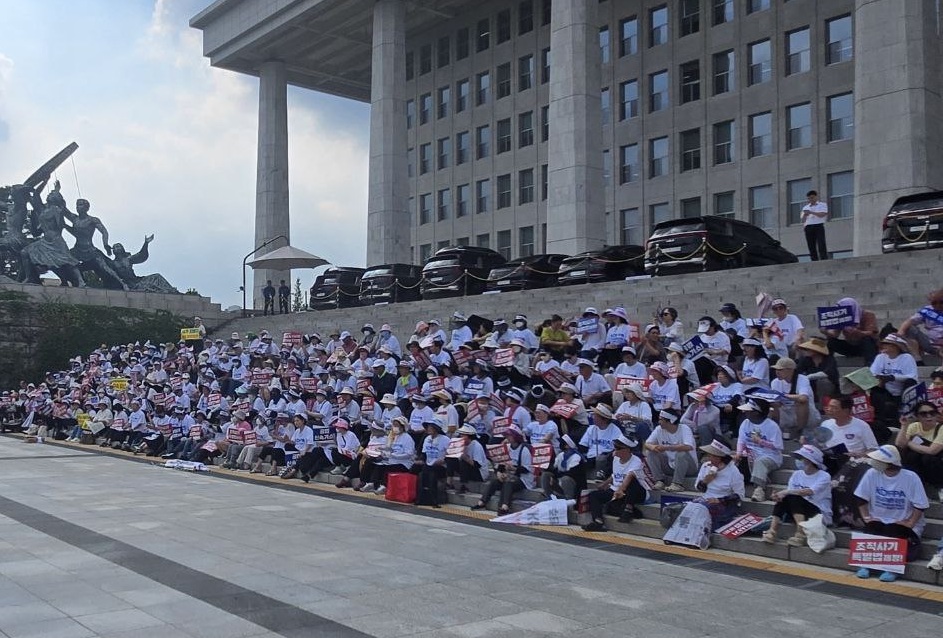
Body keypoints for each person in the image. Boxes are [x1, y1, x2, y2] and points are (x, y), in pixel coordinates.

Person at [854, 445, 929, 582]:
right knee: (871, 530)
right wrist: (866, 517)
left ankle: (891, 568)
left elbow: (920, 505)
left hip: (902, 521)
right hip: (879, 520)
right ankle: (865, 565)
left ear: (889, 463)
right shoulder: (871, 473)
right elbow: (861, 498)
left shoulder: (911, 477)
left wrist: (911, 523)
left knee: (896, 532)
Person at [763, 445, 833, 546]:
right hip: (798, 510)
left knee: (792, 496)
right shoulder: (797, 474)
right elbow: (790, 492)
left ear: (810, 461)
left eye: (802, 458)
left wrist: (785, 492)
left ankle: (801, 533)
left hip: (818, 512)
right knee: (785, 499)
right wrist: (778, 496)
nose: (799, 461)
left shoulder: (824, 476)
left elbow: (809, 492)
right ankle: (772, 531)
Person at [581, 435, 649, 531]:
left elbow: (629, 476)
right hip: (617, 490)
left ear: (627, 449)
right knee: (594, 495)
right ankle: (598, 521)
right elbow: (615, 475)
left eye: (618, 448)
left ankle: (628, 509)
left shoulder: (636, 461)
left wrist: (620, 490)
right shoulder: (615, 459)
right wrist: (604, 484)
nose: (615, 450)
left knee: (632, 482)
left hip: (635, 492)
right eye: (615, 447)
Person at [471, 425, 533, 514]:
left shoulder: (524, 449)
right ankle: (482, 502)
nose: (507, 437)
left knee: (508, 482)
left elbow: (527, 468)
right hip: (509, 475)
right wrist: (499, 472)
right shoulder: (507, 447)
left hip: (523, 478)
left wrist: (513, 468)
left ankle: (505, 506)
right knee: (494, 482)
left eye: (509, 435)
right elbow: (501, 463)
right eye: (506, 435)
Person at [734, 399, 783, 502]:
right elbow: (741, 441)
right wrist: (738, 453)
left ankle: (759, 489)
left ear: (756, 412)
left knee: (760, 462)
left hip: (770, 456)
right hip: (750, 454)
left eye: (748, 411)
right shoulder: (745, 423)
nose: (745, 412)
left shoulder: (772, 426)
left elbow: (778, 446)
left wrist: (761, 442)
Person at [895, 401, 943, 502]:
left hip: (937, 466)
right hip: (917, 467)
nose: (929, 416)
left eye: (932, 413)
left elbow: (932, 451)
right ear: (917, 416)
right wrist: (904, 425)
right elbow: (900, 444)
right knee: (911, 455)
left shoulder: (941, 428)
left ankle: (938, 488)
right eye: (924, 414)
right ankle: (915, 487)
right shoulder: (914, 426)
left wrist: (909, 442)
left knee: (928, 458)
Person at [694, 438, 745, 529]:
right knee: (689, 508)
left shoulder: (733, 471)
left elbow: (739, 496)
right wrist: (706, 481)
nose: (709, 457)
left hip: (724, 504)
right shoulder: (705, 466)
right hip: (706, 499)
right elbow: (699, 488)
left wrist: (719, 500)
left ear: (720, 457)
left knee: (706, 510)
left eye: (712, 455)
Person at [644, 409, 697, 492]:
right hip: (669, 465)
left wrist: (666, 447)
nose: (659, 422)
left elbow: (688, 447)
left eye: (661, 420)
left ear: (670, 421)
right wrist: (652, 447)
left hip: (689, 467)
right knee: (651, 452)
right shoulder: (658, 429)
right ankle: (659, 481)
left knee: (681, 453)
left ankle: (677, 484)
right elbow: (647, 444)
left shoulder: (684, 428)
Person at [770, 357, 820, 439]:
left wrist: (784, 395)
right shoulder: (775, 382)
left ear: (790, 370)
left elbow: (803, 398)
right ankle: (776, 430)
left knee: (800, 402)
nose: (777, 372)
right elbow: (776, 402)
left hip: (807, 414)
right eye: (776, 369)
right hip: (787, 412)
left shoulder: (802, 379)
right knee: (773, 404)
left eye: (780, 370)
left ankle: (800, 431)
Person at [824, 297, 879, 365]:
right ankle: (827, 364)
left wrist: (856, 332)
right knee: (830, 342)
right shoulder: (842, 317)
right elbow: (835, 334)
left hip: (868, 347)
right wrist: (825, 331)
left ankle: (870, 364)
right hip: (851, 346)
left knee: (867, 339)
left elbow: (871, 333)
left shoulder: (867, 314)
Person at [898, 289, 943, 362]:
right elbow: (910, 321)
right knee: (910, 328)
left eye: (941, 302)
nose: (938, 305)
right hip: (931, 343)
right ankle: (917, 359)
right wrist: (900, 333)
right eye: (934, 303)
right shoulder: (928, 311)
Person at [445, 424, 489, 493]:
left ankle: (464, 486)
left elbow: (478, 465)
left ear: (469, 436)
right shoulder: (461, 444)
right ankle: (449, 483)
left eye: (463, 435)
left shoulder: (476, 446)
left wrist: (465, 457)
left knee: (463, 462)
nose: (460, 437)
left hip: (479, 473)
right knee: (450, 458)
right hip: (467, 470)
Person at [540, 434, 585, 500]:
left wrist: (557, 476)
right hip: (560, 480)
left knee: (565, 479)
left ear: (567, 445)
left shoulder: (577, 457)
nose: (560, 444)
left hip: (574, 485)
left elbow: (572, 473)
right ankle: (549, 496)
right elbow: (555, 469)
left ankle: (568, 501)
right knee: (546, 474)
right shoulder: (561, 455)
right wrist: (545, 468)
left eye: (562, 443)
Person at [801, 189, 829, 261]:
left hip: (818, 225)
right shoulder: (805, 207)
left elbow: (822, 214)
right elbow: (803, 220)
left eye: (812, 198)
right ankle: (814, 259)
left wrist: (811, 212)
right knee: (811, 244)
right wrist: (805, 215)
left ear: (816, 197)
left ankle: (824, 258)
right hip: (808, 226)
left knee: (821, 243)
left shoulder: (822, 205)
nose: (810, 200)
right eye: (809, 198)